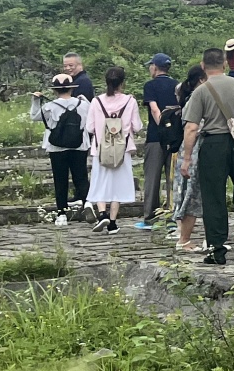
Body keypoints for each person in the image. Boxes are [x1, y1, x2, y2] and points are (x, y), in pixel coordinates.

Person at [180, 47, 234, 266]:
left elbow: (191, 128)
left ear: (202, 66)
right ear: (225, 64)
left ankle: (217, 249)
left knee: (214, 197)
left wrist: (187, 159)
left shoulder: (201, 91)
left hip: (213, 145)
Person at [86, 66, 142, 234]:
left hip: (101, 149)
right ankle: (112, 222)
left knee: (100, 182)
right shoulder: (130, 101)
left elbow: (90, 127)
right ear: (122, 83)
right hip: (122, 150)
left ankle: (102, 213)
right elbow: (137, 126)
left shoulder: (96, 101)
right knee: (117, 186)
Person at [29, 73, 90, 225]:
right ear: (72, 89)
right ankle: (88, 204)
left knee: (60, 180)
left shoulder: (49, 106)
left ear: (55, 90)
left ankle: (61, 213)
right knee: (81, 177)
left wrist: (36, 100)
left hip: (57, 148)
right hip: (79, 146)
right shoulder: (83, 104)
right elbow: (92, 116)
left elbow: (34, 116)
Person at [136, 53, 179, 228]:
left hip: (156, 137)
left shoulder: (150, 86)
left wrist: (162, 127)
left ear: (154, 67)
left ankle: (150, 217)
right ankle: (173, 217)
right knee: (173, 177)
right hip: (176, 138)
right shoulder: (178, 85)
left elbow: (154, 109)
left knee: (152, 176)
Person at [169, 65, 206, 253]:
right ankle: (184, 238)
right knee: (192, 193)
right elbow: (193, 127)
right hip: (194, 149)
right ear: (201, 80)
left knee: (187, 191)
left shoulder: (188, 96)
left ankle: (183, 236)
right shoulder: (197, 98)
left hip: (188, 149)